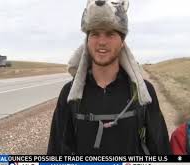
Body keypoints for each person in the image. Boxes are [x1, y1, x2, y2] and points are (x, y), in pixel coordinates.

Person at [47, 0, 170, 155]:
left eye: (110, 34)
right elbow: (56, 154)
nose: (102, 42)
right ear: (87, 41)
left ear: (123, 42)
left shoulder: (142, 92)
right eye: (95, 34)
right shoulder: (70, 94)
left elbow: (161, 151)